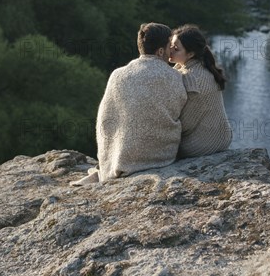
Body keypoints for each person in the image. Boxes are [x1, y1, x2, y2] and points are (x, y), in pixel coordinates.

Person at [70, 22, 187, 186]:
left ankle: (102, 171)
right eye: (169, 47)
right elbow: (181, 110)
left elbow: (106, 119)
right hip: (159, 157)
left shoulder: (117, 75)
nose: (171, 53)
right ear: (160, 51)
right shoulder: (174, 77)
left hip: (119, 159)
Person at [169, 24, 233, 158]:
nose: (170, 50)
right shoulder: (199, 66)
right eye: (170, 45)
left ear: (190, 54)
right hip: (222, 136)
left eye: (176, 48)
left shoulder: (193, 80)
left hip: (204, 144)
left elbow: (185, 124)